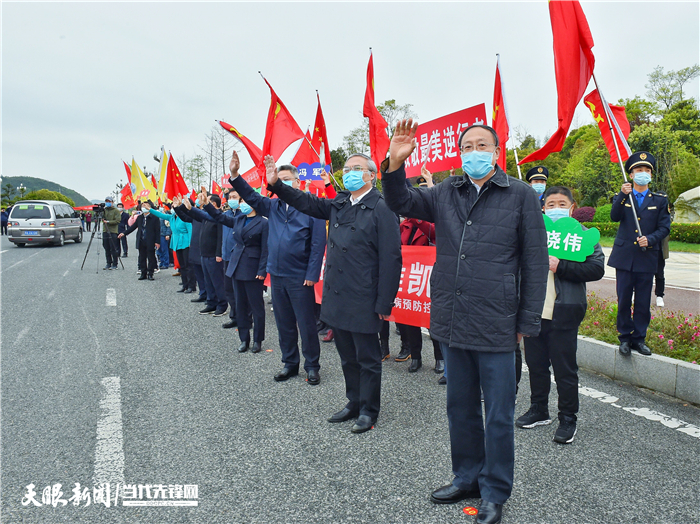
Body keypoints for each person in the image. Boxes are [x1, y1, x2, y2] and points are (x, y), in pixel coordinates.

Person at [381, 120, 548, 524]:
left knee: (498, 414)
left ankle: (494, 491)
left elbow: (535, 260)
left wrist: (527, 319)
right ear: (460, 153)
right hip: (452, 319)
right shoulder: (445, 192)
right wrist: (394, 166)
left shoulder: (520, 195)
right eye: (467, 146)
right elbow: (400, 202)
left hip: (497, 321)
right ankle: (466, 477)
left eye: (482, 145)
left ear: (496, 152)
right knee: (459, 408)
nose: (474, 151)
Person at [264, 151, 402, 434]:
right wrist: (277, 184)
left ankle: (369, 409)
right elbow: (307, 202)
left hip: (365, 295)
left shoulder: (382, 207)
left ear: (371, 175)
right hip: (338, 293)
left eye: (356, 168)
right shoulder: (340, 202)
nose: (349, 172)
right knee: (346, 355)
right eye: (347, 168)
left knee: (367, 358)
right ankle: (353, 401)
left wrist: (385, 301)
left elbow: (391, 258)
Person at [226, 153, 326, 385]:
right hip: (278, 275)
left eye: (286, 179)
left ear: (297, 182)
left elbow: (318, 244)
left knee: (306, 324)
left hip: (300, 277)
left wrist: (312, 274)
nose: (281, 183)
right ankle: (289, 363)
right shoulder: (272, 206)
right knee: (284, 323)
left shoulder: (312, 206)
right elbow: (250, 195)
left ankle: (312, 366)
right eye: (278, 179)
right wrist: (235, 175)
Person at [515, 187, 605, 444]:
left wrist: (560, 265)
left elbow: (597, 267)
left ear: (572, 207)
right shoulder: (533, 234)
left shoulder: (582, 236)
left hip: (564, 312)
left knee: (565, 371)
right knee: (536, 365)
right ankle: (539, 409)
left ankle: (568, 418)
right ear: (543, 207)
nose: (555, 208)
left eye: (561, 203)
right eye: (550, 204)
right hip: (533, 312)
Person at [608, 151, 671, 357]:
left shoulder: (660, 200)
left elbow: (664, 228)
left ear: (651, 175)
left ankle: (639, 339)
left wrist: (651, 238)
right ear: (631, 174)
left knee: (643, 302)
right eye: (638, 170)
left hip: (647, 256)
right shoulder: (623, 197)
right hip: (625, 257)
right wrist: (622, 195)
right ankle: (625, 337)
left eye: (646, 170)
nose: (642, 173)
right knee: (624, 299)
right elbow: (614, 217)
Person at [204, 192, 268, 353]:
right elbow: (220, 217)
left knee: (256, 307)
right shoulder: (239, 219)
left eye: (245, 201)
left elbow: (266, 249)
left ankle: (257, 340)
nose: (242, 204)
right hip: (236, 266)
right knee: (240, 305)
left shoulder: (263, 223)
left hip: (253, 269)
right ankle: (243, 339)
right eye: (241, 201)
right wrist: (206, 205)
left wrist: (262, 270)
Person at [178, 193, 228, 316]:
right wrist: (183, 207)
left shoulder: (219, 217)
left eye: (206, 201)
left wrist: (218, 253)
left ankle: (222, 305)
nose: (202, 203)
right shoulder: (206, 217)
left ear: (214, 204)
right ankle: (211, 303)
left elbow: (220, 237)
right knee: (208, 281)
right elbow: (192, 215)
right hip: (204, 254)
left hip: (214, 255)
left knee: (217, 282)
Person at [149, 202, 194, 293]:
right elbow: (161, 215)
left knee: (187, 265)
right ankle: (184, 284)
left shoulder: (185, 217)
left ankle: (191, 285)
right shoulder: (172, 217)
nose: (173, 208)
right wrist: (150, 209)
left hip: (185, 242)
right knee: (182, 265)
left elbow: (190, 230)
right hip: (177, 242)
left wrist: (190, 242)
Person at [119, 200, 160, 280]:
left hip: (150, 240)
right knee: (142, 257)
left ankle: (150, 273)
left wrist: (157, 241)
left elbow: (157, 231)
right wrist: (124, 233)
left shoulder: (154, 218)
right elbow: (133, 227)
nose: (144, 207)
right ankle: (143, 273)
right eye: (143, 206)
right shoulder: (140, 218)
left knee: (151, 257)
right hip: (141, 240)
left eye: (146, 206)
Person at [101, 197, 122, 270]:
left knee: (113, 248)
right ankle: (108, 263)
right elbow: (101, 217)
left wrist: (108, 222)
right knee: (106, 247)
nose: (108, 203)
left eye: (109, 201)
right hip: (105, 231)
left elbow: (118, 220)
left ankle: (115, 263)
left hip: (113, 231)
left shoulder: (115, 211)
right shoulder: (105, 210)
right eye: (106, 201)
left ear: (112, 202)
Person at [654, 234, 670, 307]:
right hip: (645, 249)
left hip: (660, 248)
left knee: (659, 274)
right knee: (641, 273)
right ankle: (635, 292)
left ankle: (659, 296)